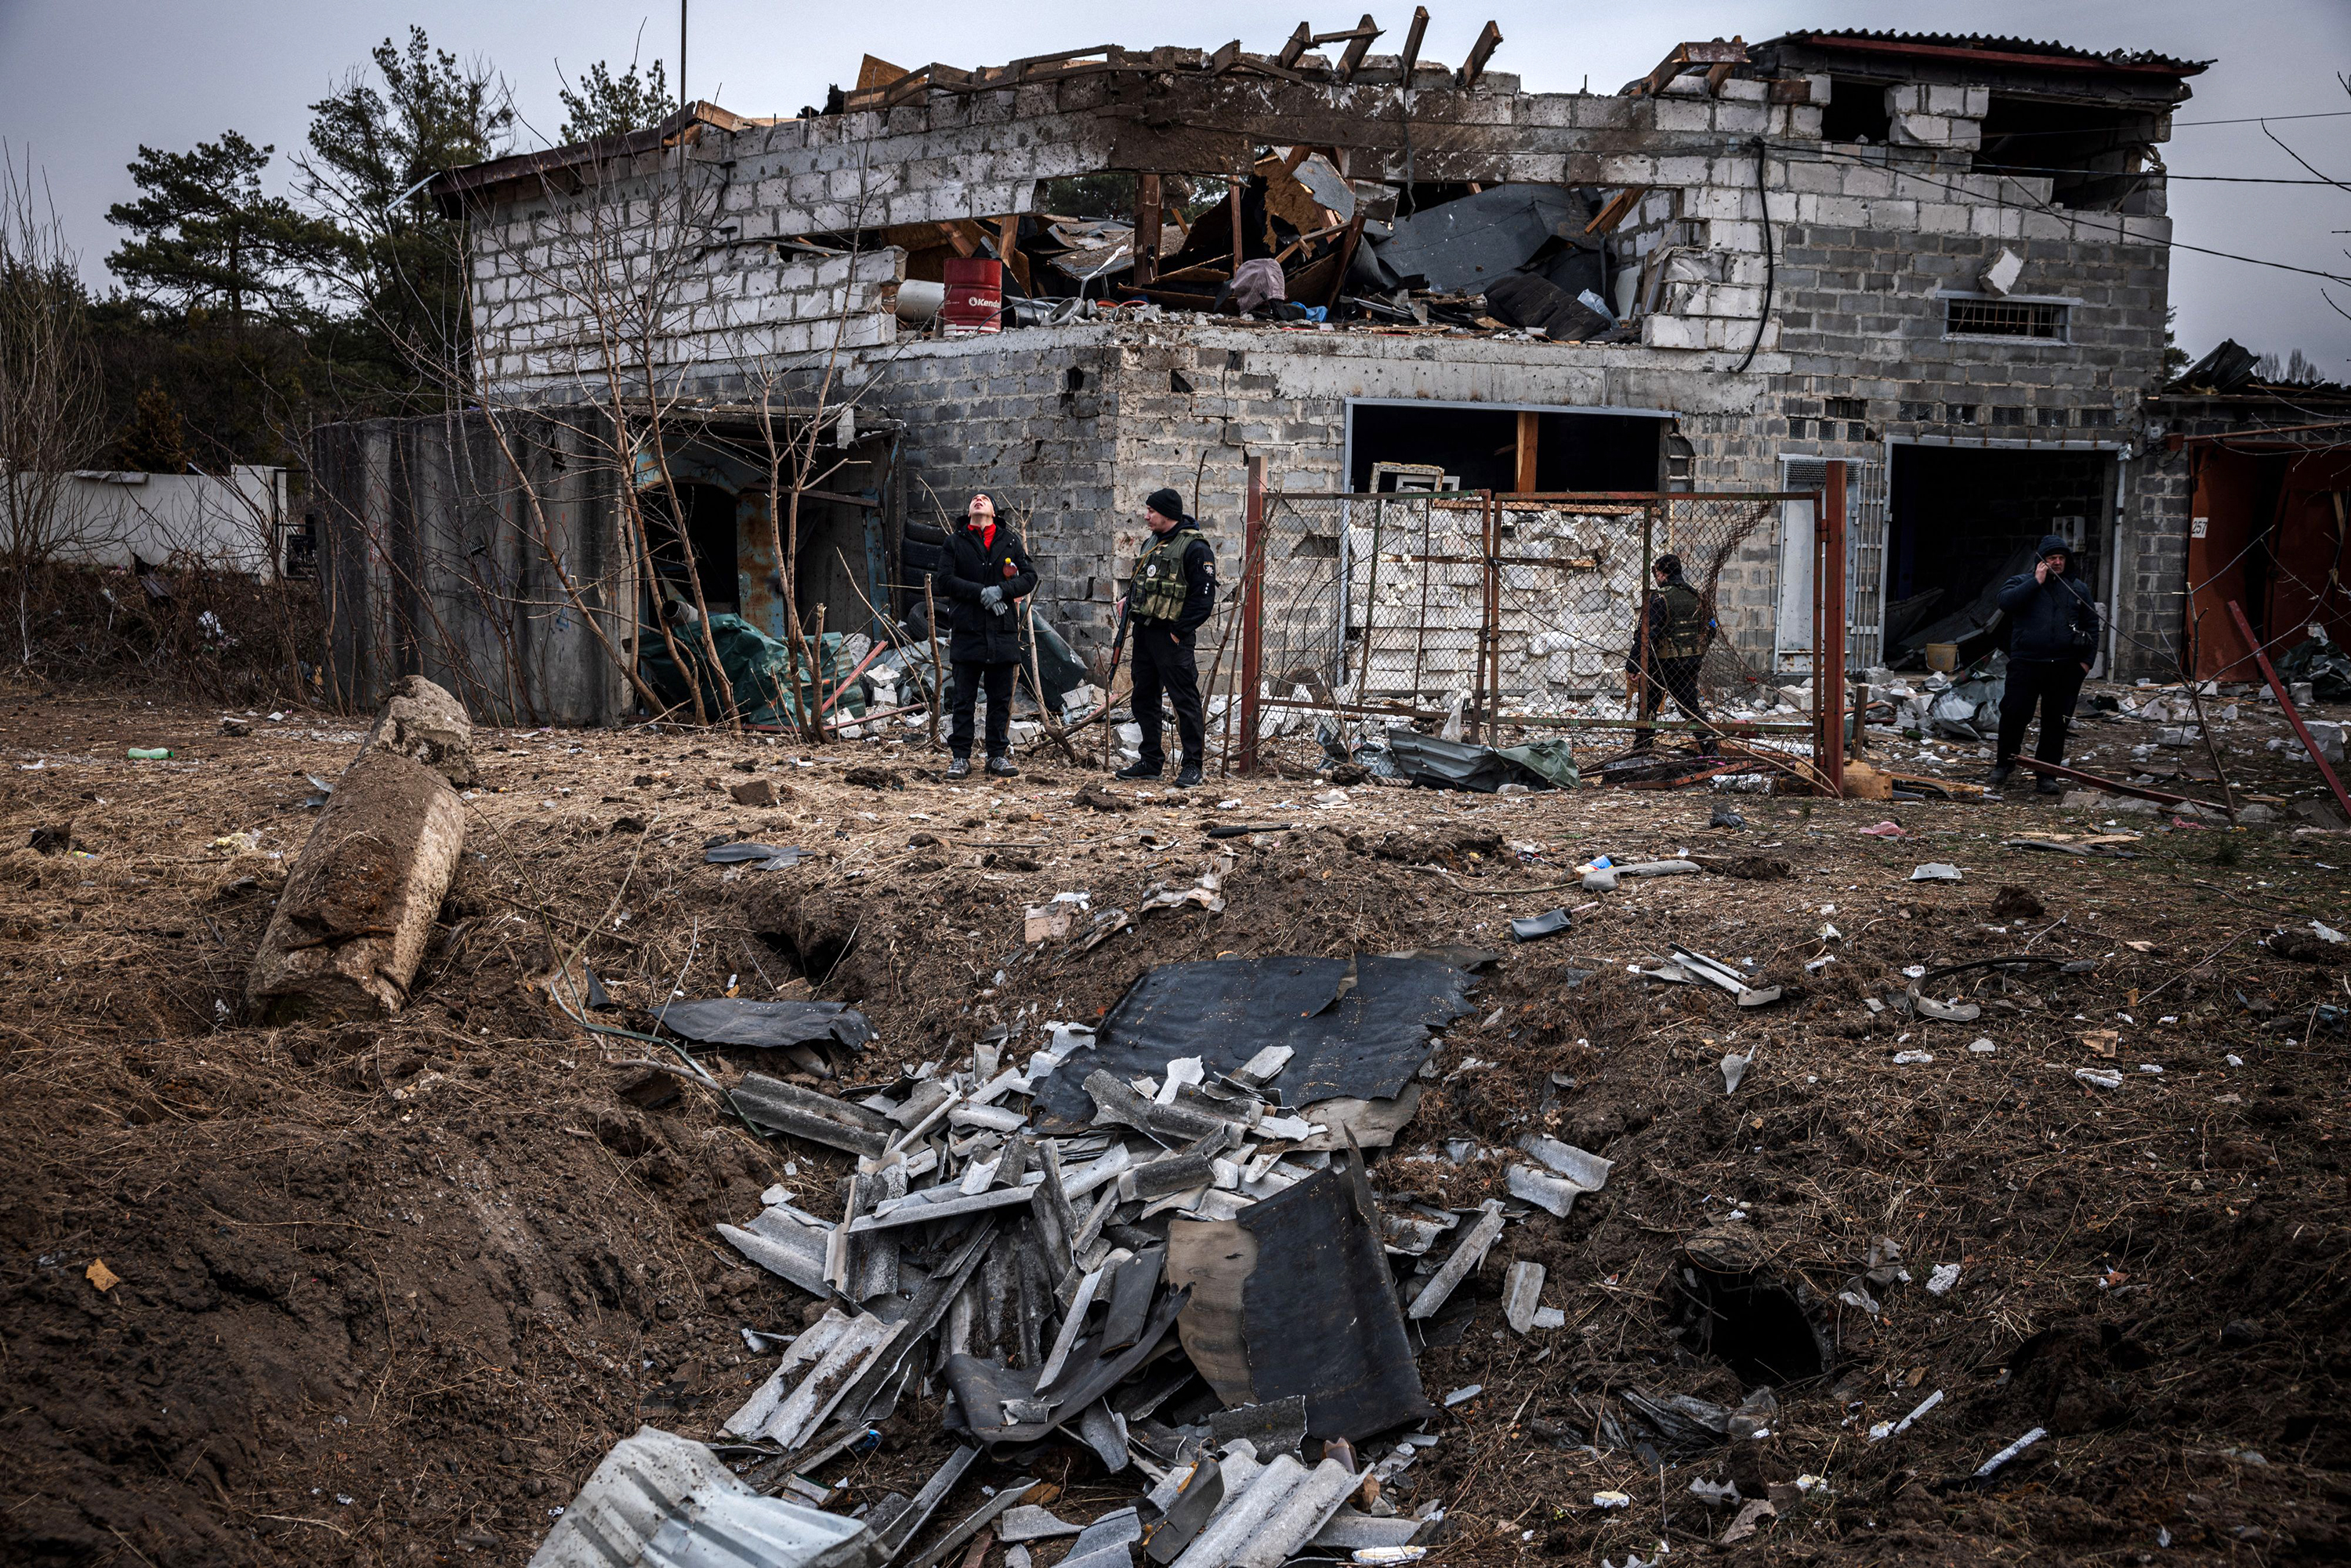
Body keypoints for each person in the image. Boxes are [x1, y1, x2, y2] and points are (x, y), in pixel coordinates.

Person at [1114, 487, 1216, 788]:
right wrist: (1126, 599)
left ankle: (1193, 765)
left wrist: (1177, 632)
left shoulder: (1195, 548)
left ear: (1167, 514)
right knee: (1143, 698)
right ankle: (1150, 761)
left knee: (1184, 700)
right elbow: (1144, 582)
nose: (1146, 517)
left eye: (1151, 512)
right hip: (1145, 633)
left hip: (1172, 636)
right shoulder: (1152, 542)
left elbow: (1203, 600)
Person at [931, 491, 1036, 779]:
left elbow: (1029, 576)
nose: (979, 500)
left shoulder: (1009, 541)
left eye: (985, 499)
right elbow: (944, 580)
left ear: (994, 511)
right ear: (968, 511)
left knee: (1000, 698)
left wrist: (1002, 590)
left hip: (1002, 632)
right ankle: (961, 757)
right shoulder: (956, 542)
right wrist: (981, 593)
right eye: (974, 499)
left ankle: (996, 756)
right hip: (968, 630)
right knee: (963, 698)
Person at [1990, 533, 2099, 794]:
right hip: (2026, 663)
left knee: (2055, 722)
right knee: (2014, 713)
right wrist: (2036, 581)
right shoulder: (2021, 583)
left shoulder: (2077, 588)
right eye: (2052, 558)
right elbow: (2005, 602)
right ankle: (2004, 764)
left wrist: (2086, 663)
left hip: (2064, 667)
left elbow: (2092, 626)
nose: (2058, 563)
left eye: (2061, 558)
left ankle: (2047, 774)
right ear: (2041, 561)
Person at [1625, 553, 1717, 755]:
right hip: (1689, 664)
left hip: (1663, 664)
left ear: (1662, 573)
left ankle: (1641, 752)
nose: (1656, 577)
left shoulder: (1659, 598)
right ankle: (1713, 753)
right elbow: (1712, 628)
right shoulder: (1697, 597)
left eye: (1656, 573)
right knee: (1690, 709)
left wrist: (1634, 665)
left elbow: (1646, 636)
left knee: (1648, 707)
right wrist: (1696, 652)